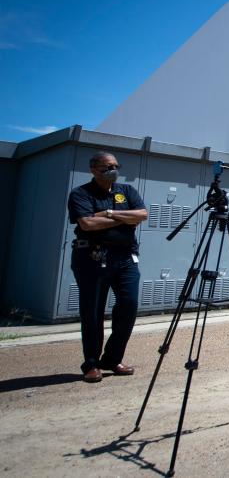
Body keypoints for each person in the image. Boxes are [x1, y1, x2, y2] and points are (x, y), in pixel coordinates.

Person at [68, 151, 148, 382]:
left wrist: (110, 213)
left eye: (115, 166)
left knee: (129, 305)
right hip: (92, 257)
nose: (113, 170)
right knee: (93, 312)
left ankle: (112, 358)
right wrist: (125, 217)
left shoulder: (127, 191)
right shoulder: (81, 193)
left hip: (125, 257)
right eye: (107, 167)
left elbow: (142, 215)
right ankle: (91, 364)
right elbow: (88, 223)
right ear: (93, 169)